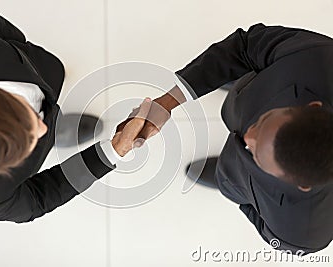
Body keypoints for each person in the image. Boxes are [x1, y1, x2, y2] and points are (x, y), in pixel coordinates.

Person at [118, 23, 333, 253]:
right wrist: (168, 102)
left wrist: (237, 186)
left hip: (241, 183)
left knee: (228, 182)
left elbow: (256, 217)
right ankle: (248, 76)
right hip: (251, 93)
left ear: (302, 185)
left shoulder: (301, 233)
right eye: (263, 122)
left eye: (257, 156)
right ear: (313, 106)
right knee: (245, 67)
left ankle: (226, 177)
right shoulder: (318, 58)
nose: (247, 136)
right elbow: (244, 47)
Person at [0, 0, 149, 222]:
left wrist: (18, 43)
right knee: (51, 131)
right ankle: (59, 132)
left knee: (52, 96)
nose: (41, 128)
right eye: (26, 143)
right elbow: (39, 198)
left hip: (34, 69)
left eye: (29, 114)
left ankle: (56, 124)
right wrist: (112, 151)